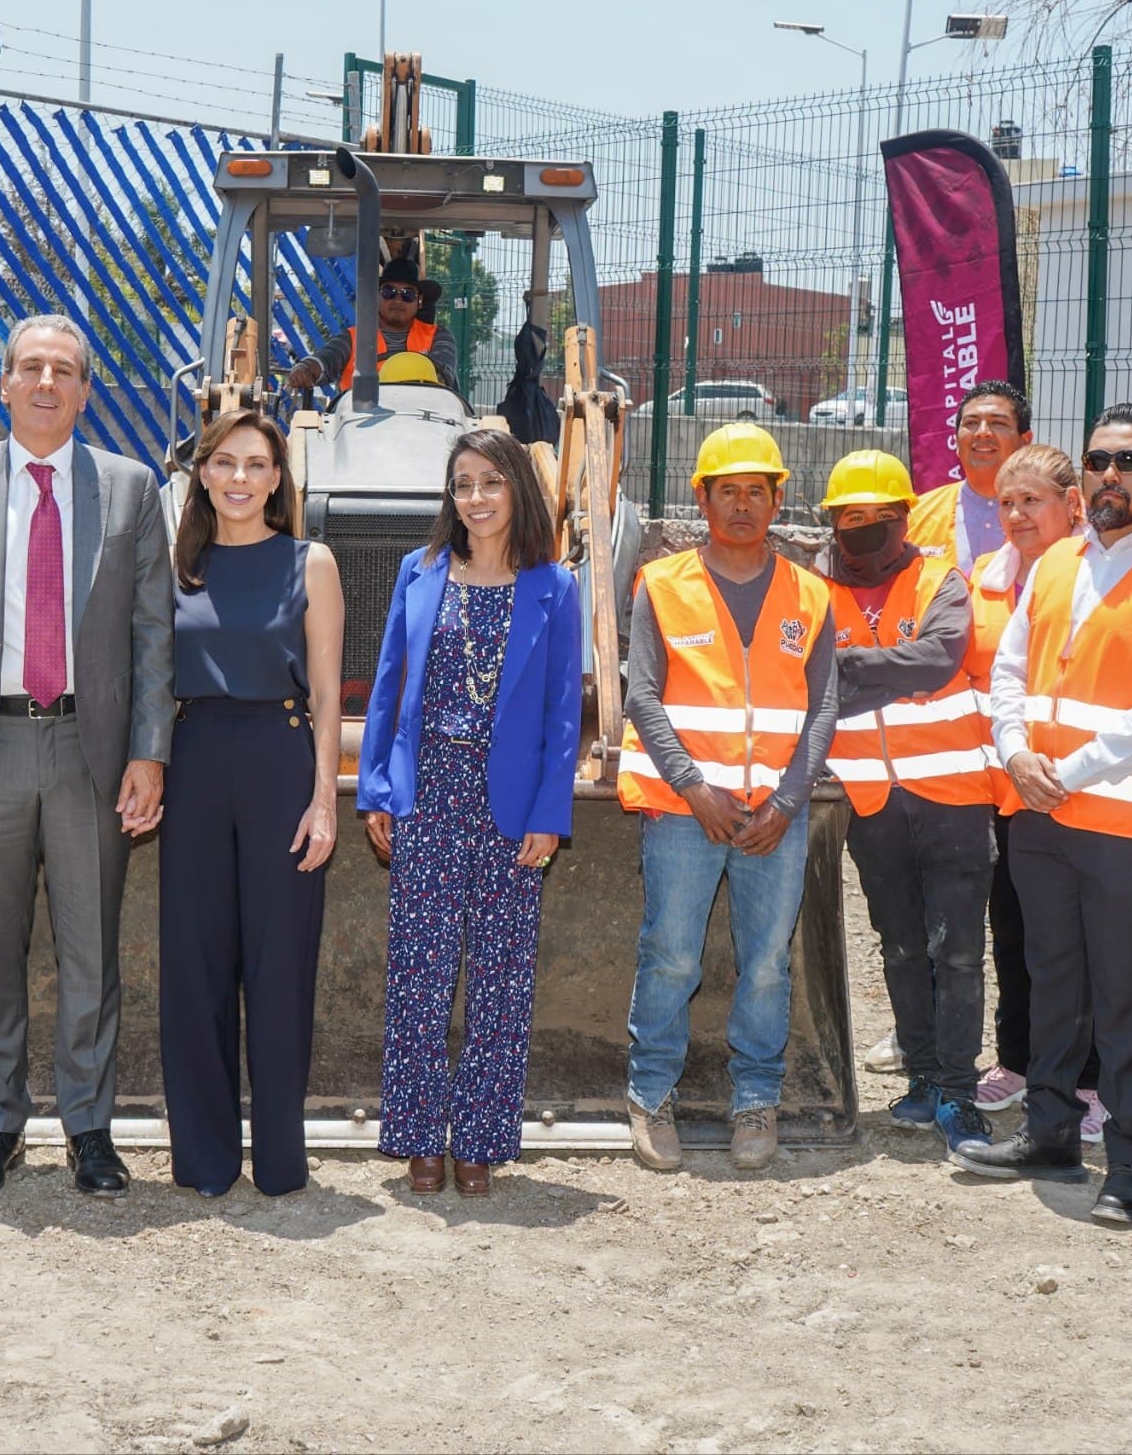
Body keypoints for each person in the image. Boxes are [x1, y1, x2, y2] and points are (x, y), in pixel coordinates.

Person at [0, 314, 175, 1199]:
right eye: (31, 368)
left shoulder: (130, 489)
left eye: (65, 370)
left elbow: (152, 636)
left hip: (90, 749)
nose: (48, 382)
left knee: (91, 946)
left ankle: (90, 1128)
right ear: (5, 383)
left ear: (85, 389)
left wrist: (150, 752)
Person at [959, 403, 1132, 1226]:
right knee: (1051, 978)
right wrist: (1014, 753)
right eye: (1100, 460)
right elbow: (1011, 672)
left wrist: (1061, 771)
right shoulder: (1051, 564)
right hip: (1040, 806)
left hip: (1120, 821)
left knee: (1122, 990)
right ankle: (1049, 1129)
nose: (1113, 475)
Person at [362, 429, 584, 1198]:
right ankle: (420, 1136)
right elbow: (388, 688)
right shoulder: (418, 573)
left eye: (492, 481)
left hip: (512, 806)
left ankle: (481, 1138)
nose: (477, 497)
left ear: (517, 489)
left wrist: (549, 815)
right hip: (428, 796)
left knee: (501, 978)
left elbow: (564, 716)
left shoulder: (555, 588)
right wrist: (377, 790)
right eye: (463, 483)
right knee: (420, 975)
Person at [619, 423, 838, 1174]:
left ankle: (756, 1101)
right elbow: (641, 693)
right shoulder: (662, 584)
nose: (742, 505)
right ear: (701, 498)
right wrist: (691, 784)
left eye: (757, 491)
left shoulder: (811, 594)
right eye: (727, 491)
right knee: (673, 957)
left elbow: (823, 708)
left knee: (768, 965)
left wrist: (786, 801)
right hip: (687, 811)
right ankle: (651, 1094)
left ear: (779, 499)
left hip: (774, 812)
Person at [159, 409, 345, 1198]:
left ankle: (278, 1159)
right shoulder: (175, 566)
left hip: (280, 757)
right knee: (194, 966)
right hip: (195, 757)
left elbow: (332, 693)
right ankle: (203, 1160)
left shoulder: (314, 561)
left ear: (278, 478)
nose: (240, 478)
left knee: (279, 968)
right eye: (225, 462)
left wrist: (325, 799)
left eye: (257, 464)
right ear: (201, 473)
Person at [818, 450, 999, 1163]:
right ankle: (923, 1076)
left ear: (904, 519)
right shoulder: (812, 590)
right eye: (849, 518)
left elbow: (940, 658)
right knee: (899, 946)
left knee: (955, 952)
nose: (864, 530)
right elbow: (807, 683)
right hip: (871, 802)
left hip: (954, 795)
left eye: (879, 518)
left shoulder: (939, 579)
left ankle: (959, 1089)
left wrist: (850, 669)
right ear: (831, 522)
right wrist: (891, 668)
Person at [970, 444, 1104, 1140]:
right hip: (1006, 789)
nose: (1018, 514)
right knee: (1017, 933)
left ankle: (1091, 1080)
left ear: (1072, 505)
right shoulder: (987, 578)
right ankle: (1022, 1060)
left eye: (1034, 500)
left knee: (1086, 946)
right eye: (1007, 502)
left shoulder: (1096, 574)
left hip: (1081, 790)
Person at [285, 251, 462, 395]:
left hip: (424, 423)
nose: (398, 300)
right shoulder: (352, 338)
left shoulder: (439, 336)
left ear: (420, 301)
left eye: (408, 294)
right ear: (376, 296)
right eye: (389, 292)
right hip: (358, 426)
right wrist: (306, 367)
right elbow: (327, 358)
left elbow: (443, 375)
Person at [906, 380, 1033, 575]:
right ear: (956, 442)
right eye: (971, 423)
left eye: (998, 423)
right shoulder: (916, 515)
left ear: (1025, 442)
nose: (982, 433)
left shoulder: (1052, 517)